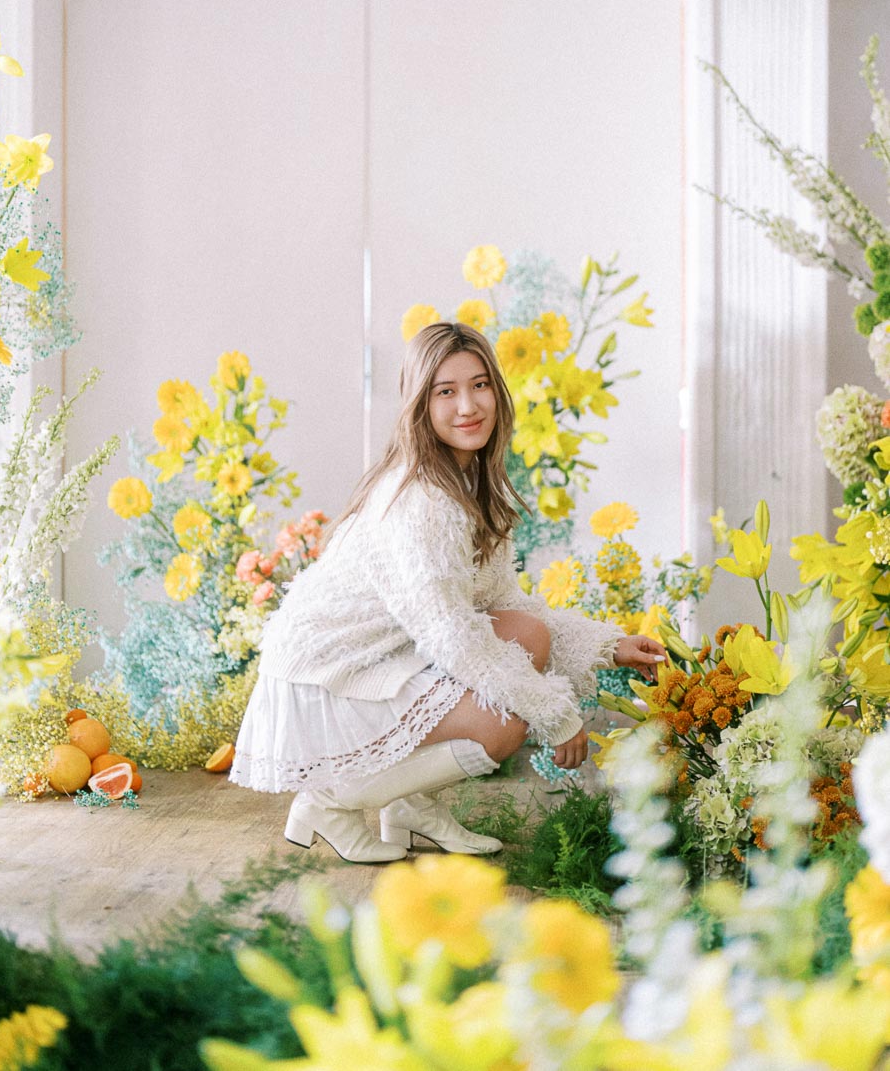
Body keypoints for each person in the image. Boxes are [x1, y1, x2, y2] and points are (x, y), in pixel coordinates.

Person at [230, 321, 666, 862]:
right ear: (421, 405)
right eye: (446, 391)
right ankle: (327, 801)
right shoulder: (422, 501)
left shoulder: (471, 483)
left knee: (526, 635)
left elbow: (509, 609)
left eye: (480, 385)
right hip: (327, 677)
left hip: (386, 656)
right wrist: (557, 714)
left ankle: (409, 808)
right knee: (504, 725)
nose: (468, 406)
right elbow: (455, 641)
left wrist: (609, 645)